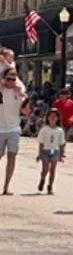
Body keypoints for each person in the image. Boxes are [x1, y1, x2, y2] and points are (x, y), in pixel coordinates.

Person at [0, 67, 26, 195]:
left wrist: (23, 96)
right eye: (8, 79)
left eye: (13, 79)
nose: (10, 81)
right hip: (0, 129)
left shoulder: (19, 91)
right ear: (3, 79)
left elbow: (25, 110)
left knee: (12, 156)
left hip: (14, 128)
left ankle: (6, 186)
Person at [36, 108, 66, 195]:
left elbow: (61, 143)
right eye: (51, 116)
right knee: (45, 169)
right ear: (48, 117)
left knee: (53, 169)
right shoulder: (44, 129)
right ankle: (42, 179)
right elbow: (41, 143)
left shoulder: (60, 130)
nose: (53, 118)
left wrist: (61, 153)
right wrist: (39, 154)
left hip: (55, 151)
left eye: (55, 116)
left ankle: (50, 185)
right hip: (45, 150)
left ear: (58, 118)